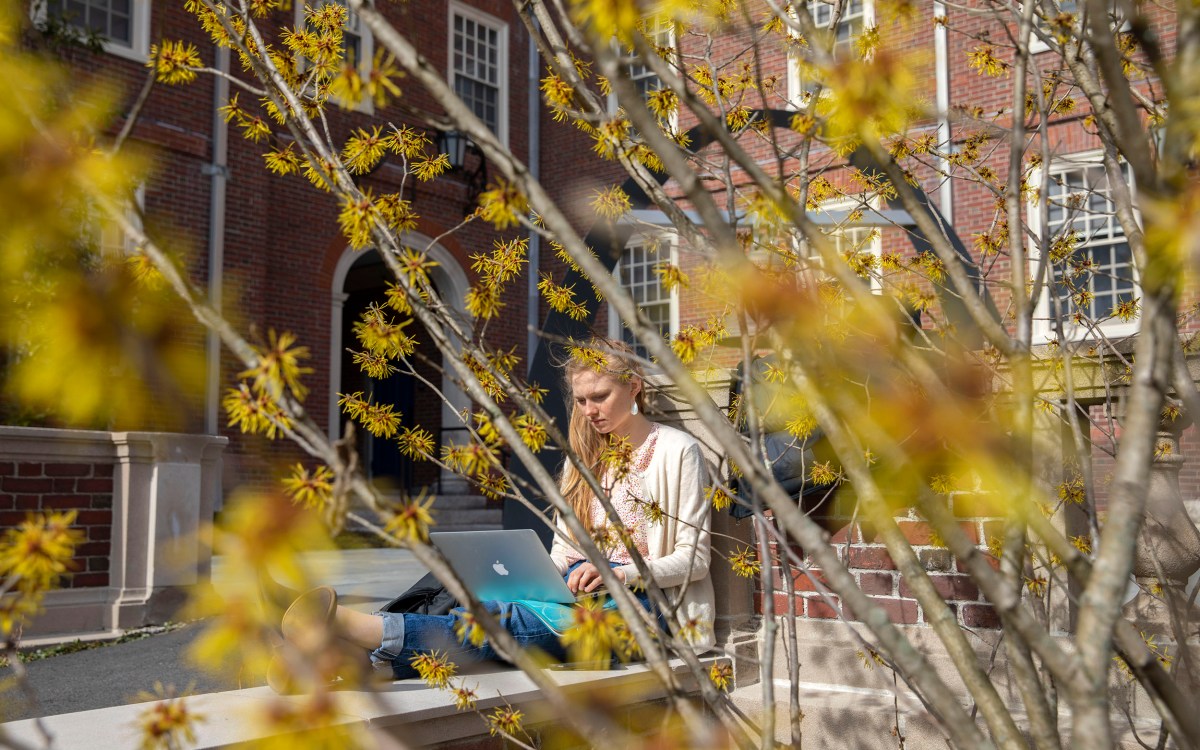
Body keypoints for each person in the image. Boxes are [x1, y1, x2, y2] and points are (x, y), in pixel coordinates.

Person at [265, 339, 714, 693]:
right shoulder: (584, 463)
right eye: (579, 400)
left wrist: (620, 574)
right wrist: (531, 572)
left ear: (634, 386)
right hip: (573, 597)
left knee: (508, 623)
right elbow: (564, 552)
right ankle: (352, 664)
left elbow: (695, 560)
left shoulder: (677, 452)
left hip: (642, 613)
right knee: (475, 601)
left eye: (599, 396)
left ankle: (345, 626)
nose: (589, 411)